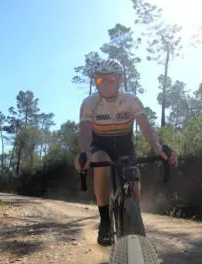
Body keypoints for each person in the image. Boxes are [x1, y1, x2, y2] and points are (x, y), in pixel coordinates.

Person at [73, 59, 179, 246]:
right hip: (101, 146)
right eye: (100, 80)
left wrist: (157, 147)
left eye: (111, 79)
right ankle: (105, 221)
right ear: (95, 81)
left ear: (120, 80)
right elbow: (84, 132)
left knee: (133, 176)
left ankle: (134, 217)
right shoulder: (89, 103)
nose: (105, 84)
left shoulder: (131, 100)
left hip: (125, 146)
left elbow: (146, 128)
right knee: (100, 160)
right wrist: (84, 154)